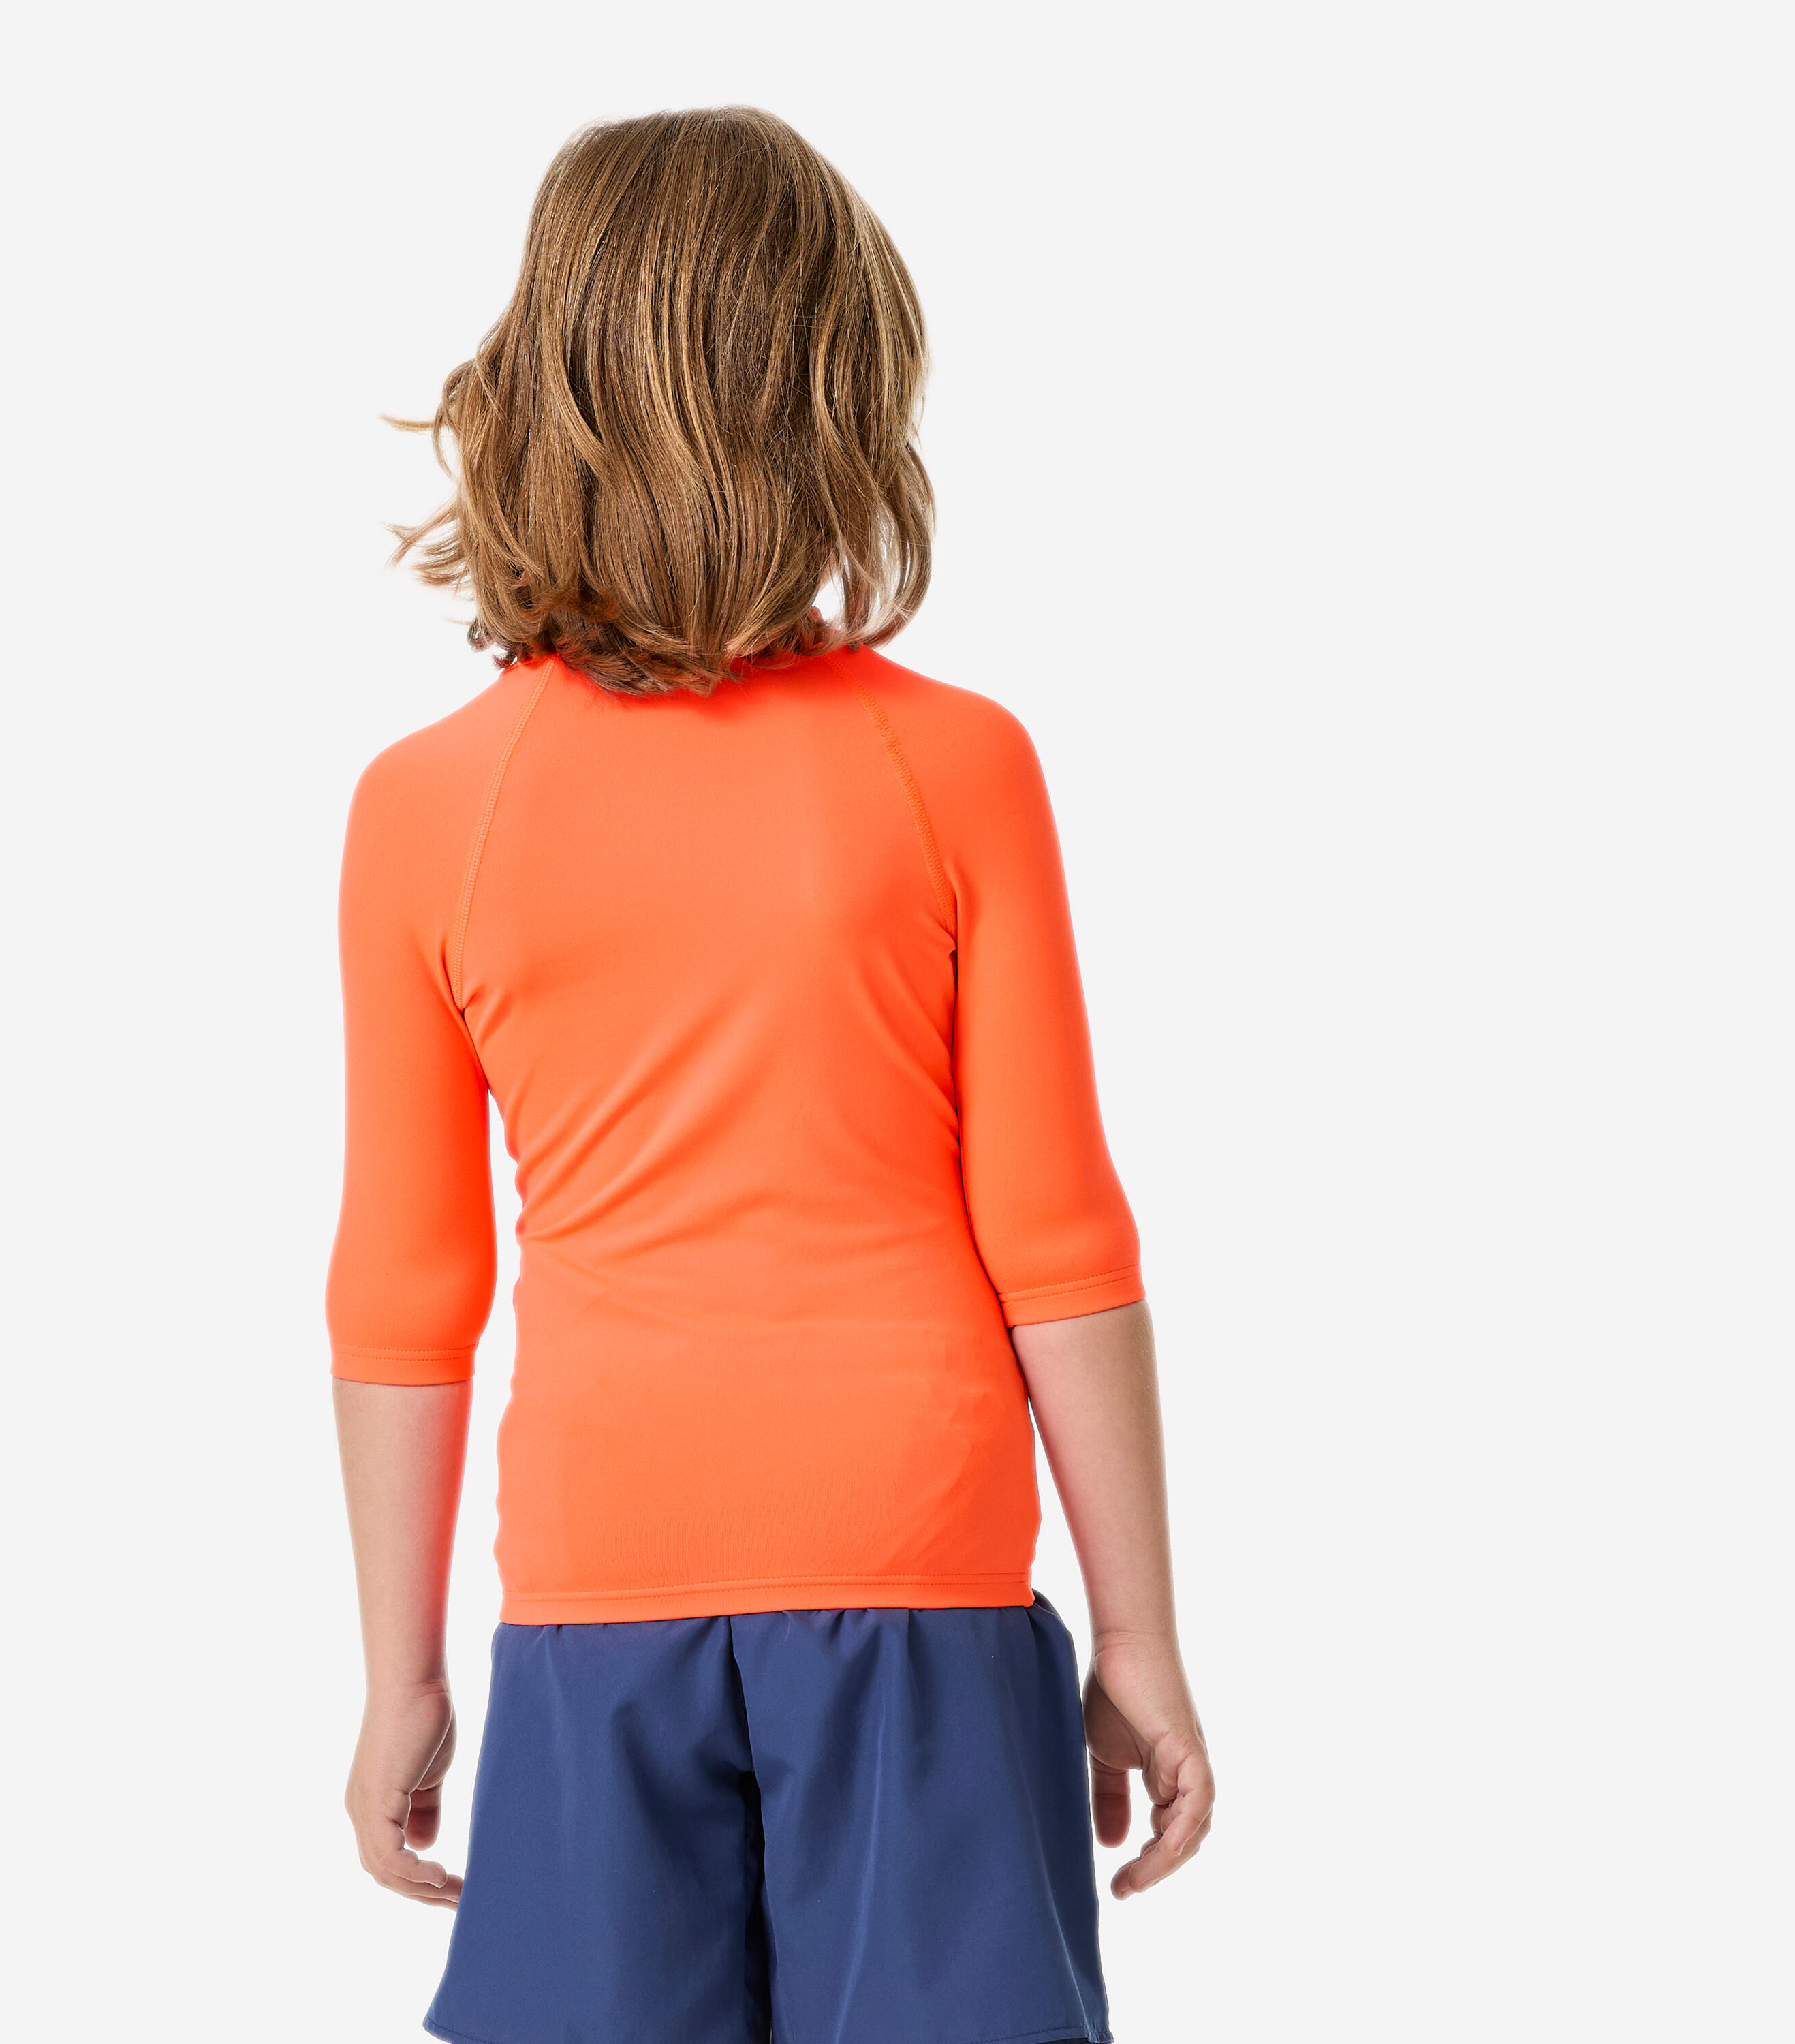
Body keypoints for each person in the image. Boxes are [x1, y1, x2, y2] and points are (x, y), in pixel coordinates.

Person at [327, 106, 1214, 2044]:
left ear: (541, 394)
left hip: (595, 1581)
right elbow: (1060, 1235)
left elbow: (405, 1292)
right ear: (839, 402)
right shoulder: (956, 763)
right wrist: (1138, 1630)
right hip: (921, 1563)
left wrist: (404, 1674)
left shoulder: (428, 808)